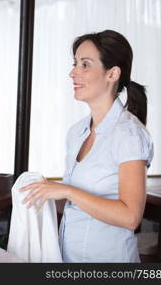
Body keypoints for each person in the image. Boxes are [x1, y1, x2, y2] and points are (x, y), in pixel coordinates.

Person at [20, 30, 153, 262]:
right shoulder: (76, 132)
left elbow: (131, 217)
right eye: (75, 64)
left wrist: (66, 190)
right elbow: (80, 206)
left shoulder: (129, 135)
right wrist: (45, 191)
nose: (73, 73)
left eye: (85, 65)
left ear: (112, 73)